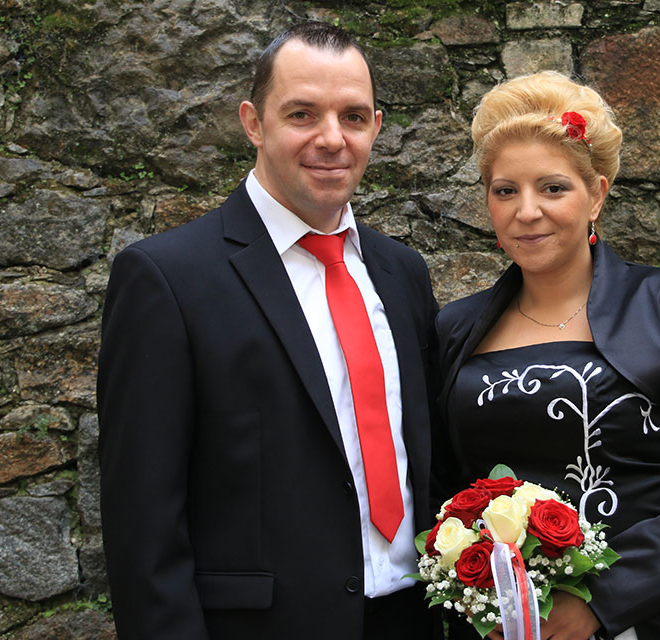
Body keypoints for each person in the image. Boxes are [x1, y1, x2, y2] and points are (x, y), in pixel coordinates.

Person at [97, 21, 440, 640]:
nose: (332, 139)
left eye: (353, 117)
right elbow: (142, 523)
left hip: (411, 618)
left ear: (376, 128)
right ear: (253, 123)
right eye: (302, 114)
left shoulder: (402, 273)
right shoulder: (166, 279)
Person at [435, 71, 660, 640]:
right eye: (505, 190)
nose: (527, 211)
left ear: (597, 194)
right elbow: (440, 487)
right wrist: (474, 599)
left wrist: (599, 602)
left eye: (553, 188)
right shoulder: (455, 329)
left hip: (647, 622)